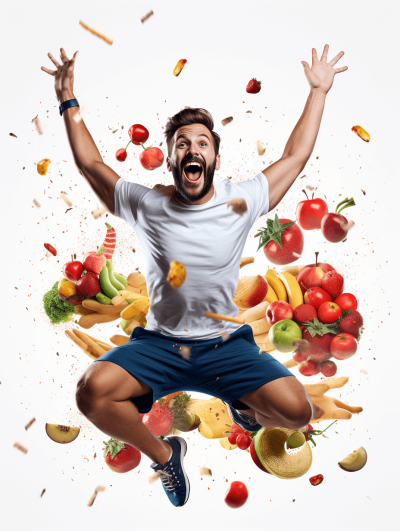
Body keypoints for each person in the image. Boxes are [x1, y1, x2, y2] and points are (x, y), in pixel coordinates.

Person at [42, 44, 347, 507]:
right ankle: (165, 455)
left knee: (297, 411)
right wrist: (68, 100)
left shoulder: (240, 201)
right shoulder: (148, 205)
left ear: (215, 161)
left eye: (202, 142)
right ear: (170, 160)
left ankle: (242, 405)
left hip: (226, 347)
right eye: (182, 143)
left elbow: (294, 157)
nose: (192, 148)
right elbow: (91, 165)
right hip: (160, 347)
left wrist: (319, 91)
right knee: (92, 394)